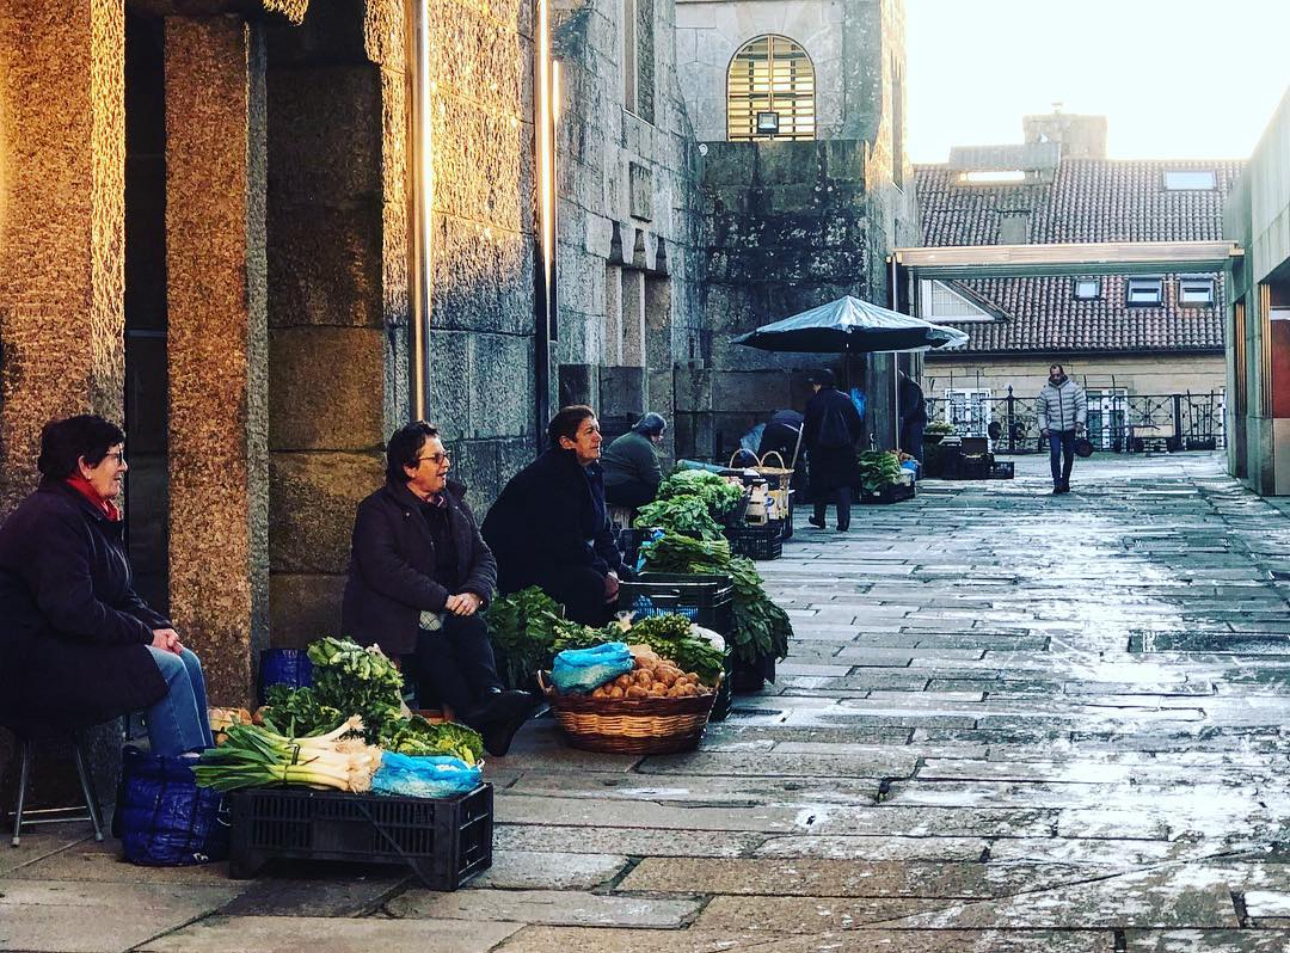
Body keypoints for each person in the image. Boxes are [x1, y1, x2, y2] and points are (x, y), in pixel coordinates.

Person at [0, 416, 212, 756]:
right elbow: (75, 612)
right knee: (168, 670)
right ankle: (184, 799)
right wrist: (145, 636)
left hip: (70, 650)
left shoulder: (91, 514)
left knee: (185, 658)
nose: (124, 467)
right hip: (35, 671)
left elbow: (121, 595)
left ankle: (203, 786)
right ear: (86, 465)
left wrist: (160, 628)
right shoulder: (52, 518)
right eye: (116, 456)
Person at [342, 421, 537, 757]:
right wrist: (443, 599)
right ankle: (479, 716)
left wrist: (474, 593)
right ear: (409, 468)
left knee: (470, 624)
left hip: (450, 604)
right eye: (436, 458)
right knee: (431, 631)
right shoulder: (377, 510)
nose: (446, 463)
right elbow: (385, 571)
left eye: (445, 455)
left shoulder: (454, 504)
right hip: (396, 611)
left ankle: (490, 699)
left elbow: (483, 555)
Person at [483, 405, 631, 627]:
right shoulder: (551, 477)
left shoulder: (591, 471)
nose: (599, 437)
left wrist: (617, 567)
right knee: (591, 582)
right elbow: (564, 541)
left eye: (598, 430)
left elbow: (602, 529)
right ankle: (582, 644)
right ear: (566, 442)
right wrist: (603, 571)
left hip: (560, 555)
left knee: (622, 578)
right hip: (524, 564)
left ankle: (615, 638)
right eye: (589, 432)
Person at [803, 369, 864, 532]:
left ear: (820, 384)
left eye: (814, 383)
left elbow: (807, 429)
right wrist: (851, 443)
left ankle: (819, 518)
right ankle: (843, 521)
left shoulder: (813, 402)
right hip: (844, 450)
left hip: (820, 451)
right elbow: (857, 424)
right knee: (842, 485)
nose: (813, 387)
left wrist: (809, 447)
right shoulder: (845, 400)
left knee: (819, 485)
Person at [1037, 363, 1088, 495]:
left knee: (1069, 455)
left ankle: (1065, 480)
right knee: (1055, 454)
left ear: (1063, 374)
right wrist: (1043, 428)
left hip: (1070, 427)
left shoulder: (1074, 389)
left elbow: (1081, 406)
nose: (1056, 378)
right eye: (1053, 375)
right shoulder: (1045, 392)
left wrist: (1079, 422)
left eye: (1058, 375)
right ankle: (1057, 482)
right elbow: (1041, 411)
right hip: (1054, 429)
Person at [602, 413, 666, 509]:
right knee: (655, 492)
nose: (660, 439)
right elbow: (654, 478)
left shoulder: (631, 437)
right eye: (660, 434)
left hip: (607, 486)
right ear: (654, 432)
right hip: (617, 486)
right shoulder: (643, 445)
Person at [898, 371, 928, 463]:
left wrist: (902, 417)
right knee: (911, 445)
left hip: (916, 421)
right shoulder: (908, 386)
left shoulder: (911, 387)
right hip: (912, 420)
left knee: (915, 445)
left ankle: (918, 467)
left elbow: (912, 406)